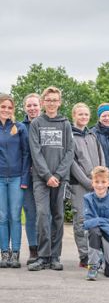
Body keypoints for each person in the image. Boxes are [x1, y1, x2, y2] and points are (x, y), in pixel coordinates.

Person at [28, 86, 74, 271]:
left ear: (59, 102)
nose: (52, 103)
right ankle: (43, 256)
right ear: (43, 102)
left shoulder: (65, 124)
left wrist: (58, 175)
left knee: (58, 216)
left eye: (55, 100)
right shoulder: (36, 124)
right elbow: (35, 152)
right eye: (48, 100)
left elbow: (70, 151)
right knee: (42, 215)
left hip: (60, 178)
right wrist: (47, 175)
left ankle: (55, 256)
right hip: (41, 179)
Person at [70, 103, 105, 267]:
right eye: (80, 114)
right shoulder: (70, 136)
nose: (83, 117)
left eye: (86, 114)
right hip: (80, 185)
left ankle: (98, 254)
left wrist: (101, 180)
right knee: (81, 220)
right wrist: (87, 181)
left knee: (97, 220)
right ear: (74, 116)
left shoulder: (92, 136)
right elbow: (72, 163)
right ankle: (84, 256)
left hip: (97, 186)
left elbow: (101, 158)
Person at [0, 94, 30, 268]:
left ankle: (16, 253)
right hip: (0, 178)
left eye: (9, 107)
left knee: (15, 216)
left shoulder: (19, 128)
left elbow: (26, 154)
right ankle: (5, 253)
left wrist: (24, 178)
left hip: (17, 178)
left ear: (13, 109)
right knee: (2, 217)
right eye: (3, 107)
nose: (6, 110)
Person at [83, 166, 109, 281]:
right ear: (92, 183)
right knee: (94, 230)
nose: (100, 185)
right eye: (97, 182)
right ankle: (93, 266)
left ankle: (104, 258)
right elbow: (86, 223)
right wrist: (101, 222)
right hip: (95, 233)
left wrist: (98, 220)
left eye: (103, 182)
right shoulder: (87, 199)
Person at [22, 93, 41, 264]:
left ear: (40, 106)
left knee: (45, 214)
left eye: (35, 105)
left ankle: (46, 249)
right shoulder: (19, 127)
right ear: (24, 107)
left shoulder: (47, 125)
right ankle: (33, 250)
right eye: (29, 105)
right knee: (30, 213)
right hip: (26, 177)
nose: (32, 108)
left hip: (44, 177)